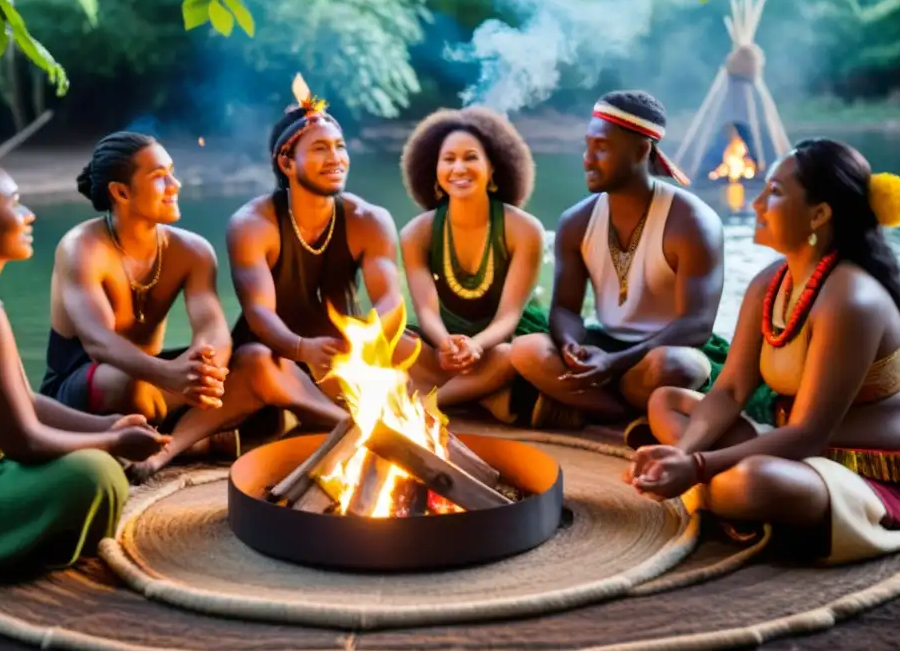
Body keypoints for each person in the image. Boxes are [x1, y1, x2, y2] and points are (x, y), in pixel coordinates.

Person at [628, 140, 900, 565]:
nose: (757, 204)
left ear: (819, 214)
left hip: (864, 477)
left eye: (774, 191)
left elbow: (809, 433)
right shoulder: (769, 283)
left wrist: (697, 466)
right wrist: (685, 453)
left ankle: (722, 494)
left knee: (751, 483)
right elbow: (731, 391)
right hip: (792, 450)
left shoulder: (851, 299)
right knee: (667, 402)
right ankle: (718, 492)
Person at [0, 157, 166, 578]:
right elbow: (22, 442)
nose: (30, 214)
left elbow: (25, 401)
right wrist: (111, 445)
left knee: (94, 461)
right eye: (15, 203)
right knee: (93, 474)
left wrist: (108, 427)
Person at [39, 132, 265, 482]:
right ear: (121, 192)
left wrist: (207, 367)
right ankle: (195, 439)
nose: (175, 184)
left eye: (172, 172)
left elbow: (213, 328)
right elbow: (99, 343)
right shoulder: (81, 248)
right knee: (130, 385)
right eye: (159, 176)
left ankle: (167, 445)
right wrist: (171, 376)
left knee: (255, 366)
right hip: (84, 387)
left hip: (157, 382)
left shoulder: (193, 250)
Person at [510, 90, 730, 430]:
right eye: (587, 146)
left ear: (642, 151)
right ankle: (622, 415)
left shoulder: (692, 223)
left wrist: (614, 364)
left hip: (663, 350)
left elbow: (696, 326)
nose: (587, 158)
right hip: (605, 346)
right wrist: (570, 346)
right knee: (526, 350)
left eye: (602, 148)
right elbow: (566, 310)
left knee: (679, 367)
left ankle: (585, 406)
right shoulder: (576, 221)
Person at [225, 74, 417, 430]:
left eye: (340, 146)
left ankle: (332, 418)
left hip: (341, 354)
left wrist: (369, 338)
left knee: (407, 350)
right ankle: (330, 419)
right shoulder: (252, 224)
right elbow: (259, 313)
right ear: (286, 163)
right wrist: (302, 349)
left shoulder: (369, 220)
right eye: (320, 149)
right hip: (276, 353)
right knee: (261, 366)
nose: (336, 159)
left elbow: (391, 300)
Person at [399, 107, 548, 423]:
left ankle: (427, 405)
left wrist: (477, 346)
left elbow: (509, 315)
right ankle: (483, 395)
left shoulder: (524, 230)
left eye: (470, 157)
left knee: (512, 356)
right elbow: (426, 310)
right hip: (444, 346)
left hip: (498, 343)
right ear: (434, 169)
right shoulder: (417, 233)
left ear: (493, 168)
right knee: (393, 343)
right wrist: (444, 343)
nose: (459, 168)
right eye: (448, 159)